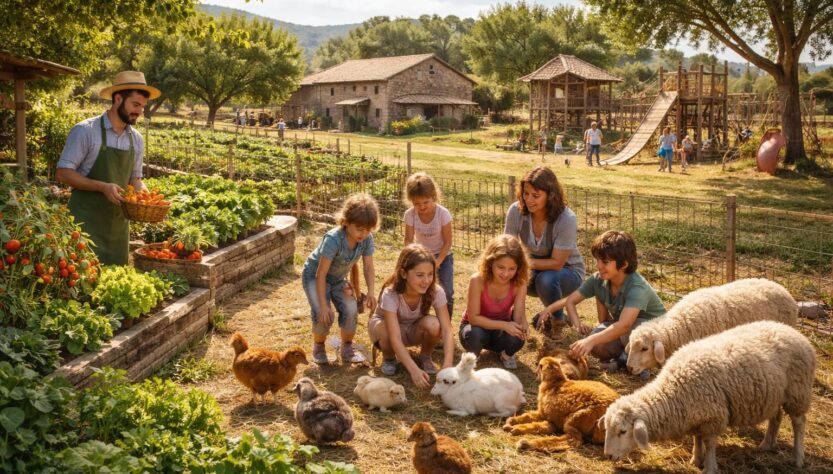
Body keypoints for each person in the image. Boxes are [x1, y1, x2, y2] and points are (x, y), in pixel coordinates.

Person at [56, 71, 160, 265]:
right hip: (85, 223)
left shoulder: (136, 139)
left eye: (143, 107)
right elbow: (63, 173)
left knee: (114, 281)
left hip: (118, 227)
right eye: (135, 105)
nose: (139, 111)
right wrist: (102, 187)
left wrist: (148, 200)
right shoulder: (86, 131)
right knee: (81, 280)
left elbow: (135, 179)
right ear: (118, 98)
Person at [562, 231, 666, 377]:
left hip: (650, 337)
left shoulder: (638, 287)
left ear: (623, 264)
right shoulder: (599, 279)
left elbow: (624, 325)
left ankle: (639, 364)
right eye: (597, 260)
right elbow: (571, 301)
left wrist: (589, 341)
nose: (598, 265)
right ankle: (621, 361)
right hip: (625, 332)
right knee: (597, 340)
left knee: (630, 332)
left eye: (604, 262)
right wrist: (579, 327)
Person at [302, 193, 379, 365]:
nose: (364, 233)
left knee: (351, 309)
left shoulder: (367, 240)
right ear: (346, 222)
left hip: (337, 279)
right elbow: (320, 273)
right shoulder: (333, 239)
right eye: (359, 228)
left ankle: (347, 347)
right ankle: (319, 346)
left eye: (368, 229)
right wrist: (323, 305)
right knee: (324, 313)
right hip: (315, 276)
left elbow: (368, 267)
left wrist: (372, 292)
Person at [368, 244, 455, 388]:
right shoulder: (391, 294)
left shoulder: (436, 291)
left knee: (435, 324)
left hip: (413, 328)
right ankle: (389, 357)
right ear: (404, 274)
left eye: (430, 274)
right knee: (385, 329)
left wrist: (447, 364)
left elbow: (447, 330)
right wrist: (413, 370)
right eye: (420, 275)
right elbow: (395, 336)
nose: (426, 280)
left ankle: (425, 356)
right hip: (388, 332)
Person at [503, 166, 584, 321]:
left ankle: (557, 321)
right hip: (532, 269)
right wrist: (511, 265)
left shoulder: (566, 218)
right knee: (504, 271)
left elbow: (557, 264)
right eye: (526, 193)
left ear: (550, 196)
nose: (529, 200)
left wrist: (520, 263)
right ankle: (510, 316)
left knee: (545, 279)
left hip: (567, 272)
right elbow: (507, 247)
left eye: (536, 195)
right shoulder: (515, 211)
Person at [460, 234, 530, 369]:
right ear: (490, 263)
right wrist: (504, 325)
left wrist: (522, 325)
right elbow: (473, 319)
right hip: (475, 328)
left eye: (512, 269)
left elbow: (517, 318)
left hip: (499, 332)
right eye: (501, 267)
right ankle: (474, 355)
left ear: (519, 268)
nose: (506, 274)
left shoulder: (520, 284)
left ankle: (506, 354)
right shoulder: (477, 280)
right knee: (475, 334)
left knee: (518, 336)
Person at [404, 172, 454, 316]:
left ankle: (445, 325)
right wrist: (414, 256)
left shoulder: (443, 214)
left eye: (425, 202)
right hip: (421, 256)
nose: (422, 207)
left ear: (434, 196)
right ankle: (420, 321)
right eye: (417, 204)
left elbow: (448, 242)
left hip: (442, 256)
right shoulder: (410, 215)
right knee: (419, 289)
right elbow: (408, 240)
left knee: (447, 292)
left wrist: (437, 262)